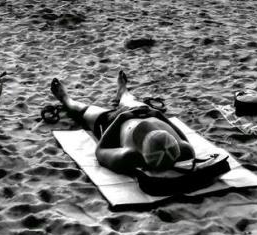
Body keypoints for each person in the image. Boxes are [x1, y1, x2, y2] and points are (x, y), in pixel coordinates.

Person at [50, 70, 194, 174]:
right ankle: (122, 90)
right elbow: (185, 141)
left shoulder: (128, 156)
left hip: (113, 122)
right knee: (129, 100)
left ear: (142, 152)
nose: (147, 128)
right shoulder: (184, 149)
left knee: (81, 111)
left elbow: (100, 152)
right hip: (143, 110)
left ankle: (65, 98)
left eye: (144, 135)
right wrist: (158, 115)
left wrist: (122, 118)